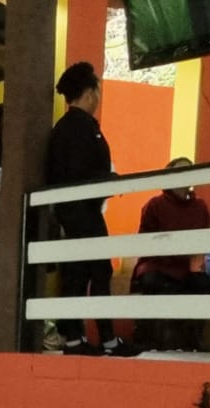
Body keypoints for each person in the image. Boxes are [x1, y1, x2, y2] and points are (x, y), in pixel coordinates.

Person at [46, 62, 137, 357]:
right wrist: (107, 180)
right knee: (96, 272)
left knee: (77, 273)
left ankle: (75, 339)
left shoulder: (63, 128)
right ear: (89, 93)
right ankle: (103, 339)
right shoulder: (82, 128)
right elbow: (81, 172)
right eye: (97, 91)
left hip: (70, 211)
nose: (98, 97)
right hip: (83, 212)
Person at [131, 158, 210, 352]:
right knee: (154, 281)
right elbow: (145, 240)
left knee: (204, 284)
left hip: (185, 266)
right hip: (157, 264)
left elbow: (202, 242)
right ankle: (152, 337)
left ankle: (194, 337)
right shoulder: (155, 204)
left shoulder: (200, 207)